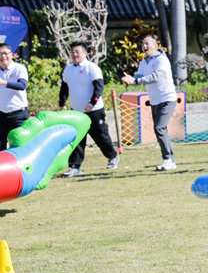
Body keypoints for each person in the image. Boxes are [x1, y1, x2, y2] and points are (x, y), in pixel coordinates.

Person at [59, 41, 120, 177]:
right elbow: (64, 88)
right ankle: (75, 166)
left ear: (85, 53)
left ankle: (112, 156)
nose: (74, 55)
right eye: (73, 52)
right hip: (76, 111)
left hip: (94, 110)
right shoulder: (68, 69)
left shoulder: (91, 68)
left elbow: (99, 87)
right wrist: (62, 103)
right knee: (77, 138)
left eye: (77, 52)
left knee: (100, 136)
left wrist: (92, 103)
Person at [121, 35, 178, 171]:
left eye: (147, 44)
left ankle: (168, 159)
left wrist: (136, 81)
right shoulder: (143, 62)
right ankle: (170, 161)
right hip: (155, 101)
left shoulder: (161, 60)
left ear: (155, 46)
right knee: (160, 130)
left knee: (159, 128)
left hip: (167, 99)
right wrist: (131, 79)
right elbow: (140, 76)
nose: (144, 46)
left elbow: (156, 77)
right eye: (143, 44)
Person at [0, 43, 28, 150]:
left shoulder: (19, 68)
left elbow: (22, 85)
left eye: (5, 53)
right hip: (1, 114)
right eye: (0, 54)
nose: (3, 56)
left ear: (11, 55)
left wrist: (4, 83)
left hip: (18, 115)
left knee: (20, 145)